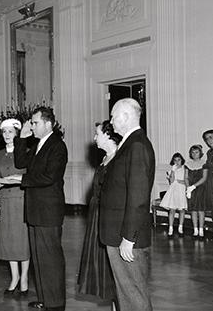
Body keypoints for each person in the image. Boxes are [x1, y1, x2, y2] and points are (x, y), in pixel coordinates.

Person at [100, 98, 155, 311]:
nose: (111, 122)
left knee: (133, 295)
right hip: (118, 232)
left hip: (126, 236)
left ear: (125, 116)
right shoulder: (130, 143)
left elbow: (138, 197)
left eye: (113, 117)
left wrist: (128, 238)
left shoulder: (137, 145)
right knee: (127, 293)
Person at [13, 106, 68, 311]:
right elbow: (20, 162)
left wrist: (21, 180)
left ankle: (56, 303)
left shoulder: (57, 146)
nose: (32, 126)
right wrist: (22, 138)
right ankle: (45, 298)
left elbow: (49, 177)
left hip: (48, 211)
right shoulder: (38, 144)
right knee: (39, 258)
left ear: (48, 124)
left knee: (51, 259)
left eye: (35, 123)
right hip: (36, 210)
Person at [77, 121, 120, 311]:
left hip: (110, 219)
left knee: (116, 271)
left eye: (97, 134)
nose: (94, 138)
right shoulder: (105, 158)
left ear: (109, 136)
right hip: (98, 217)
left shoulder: (118, 159)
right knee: (105, 269)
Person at [0, 118, 30, 298]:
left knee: (23, 243)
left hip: (21, 201)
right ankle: (14, 278)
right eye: (4, 132)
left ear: (17, 134)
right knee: (9, 244)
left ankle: (24, 280)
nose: (7, 135)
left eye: (10, 132)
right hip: (5, 202)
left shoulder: (26, 153)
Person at [160, 152, 187, 238]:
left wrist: (182, 182)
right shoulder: (173, 169)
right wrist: (173, 171)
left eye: (179, 160)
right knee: (172, 210)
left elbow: (187, 180)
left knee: (182, 210)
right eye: (175, 160)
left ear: (182, 160)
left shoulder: (185, 168)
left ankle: (180, 227)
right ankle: (170, 228)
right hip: (173, 190)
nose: (177, 162)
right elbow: (171, 181)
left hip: (181, 190)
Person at [185, 144, 210, 240]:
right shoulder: (188, 164)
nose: (195, 154)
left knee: (201, 210)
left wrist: (193, 186)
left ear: (200, 153)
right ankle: (195, 230)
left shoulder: (204, 163)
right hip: (191, 190)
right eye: (193, 152)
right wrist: (188, 188)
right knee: (193, 210)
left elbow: (204, 178)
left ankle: (201, 230)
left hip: (201, 189)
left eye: (197, 152)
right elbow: (186, 177)